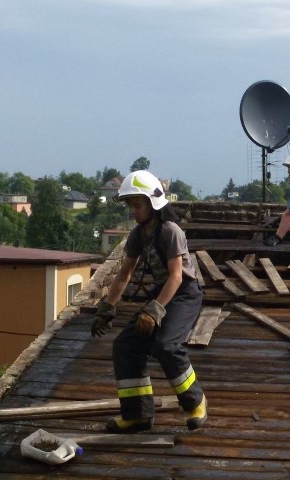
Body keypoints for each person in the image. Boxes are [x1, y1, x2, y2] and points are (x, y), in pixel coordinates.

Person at [91, 170, 207, 433]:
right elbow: (124, 273)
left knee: (166, 345)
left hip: (185, 293)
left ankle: (195, 402)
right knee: (126, 345)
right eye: (130, 205)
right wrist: (107, 307)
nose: (133, 210)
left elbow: (177, 276)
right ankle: (138, 415)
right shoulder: (137, 235)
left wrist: (154, 310)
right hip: (163, 293)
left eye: (137, 204)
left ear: (153, 202)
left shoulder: (170, 231)